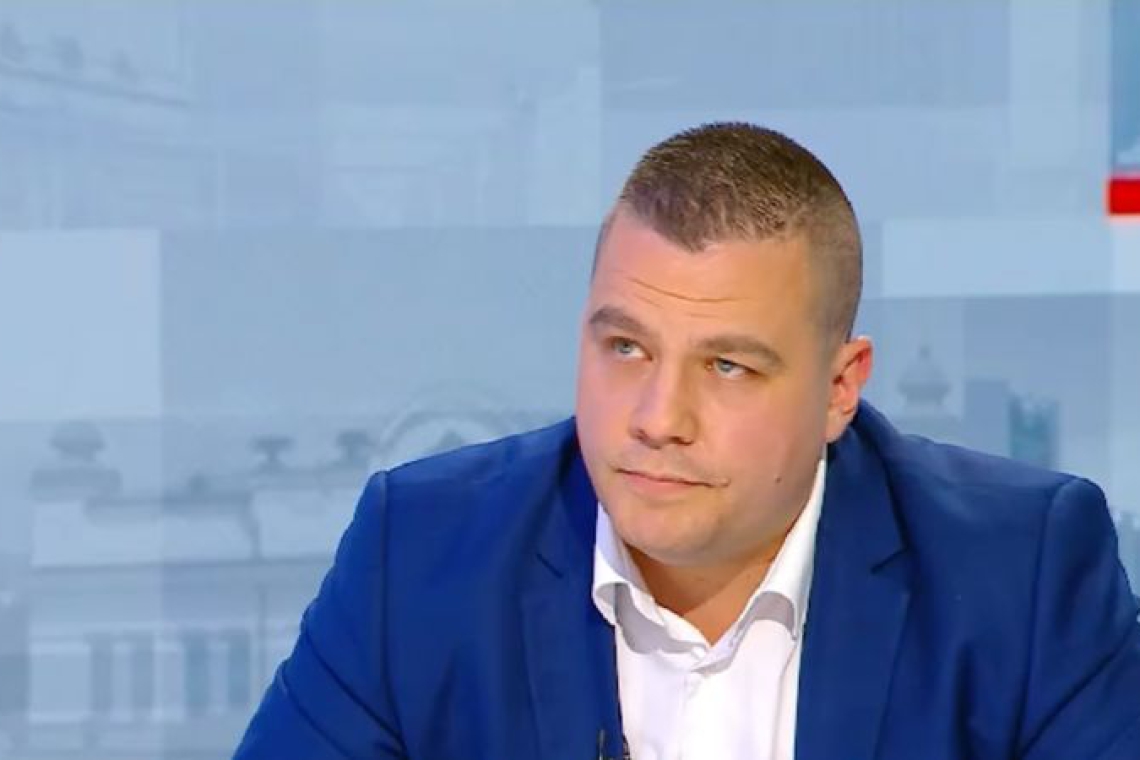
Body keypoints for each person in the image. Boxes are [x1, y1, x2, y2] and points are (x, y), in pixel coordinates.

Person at [232, 123, 1140, 759]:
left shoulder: (1022, 574)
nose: (657, 417)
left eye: (727, 366)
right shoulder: (422, 555)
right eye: (626, 348)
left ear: (840, 389)